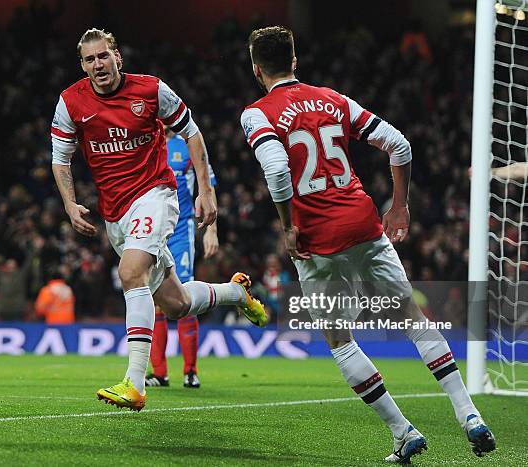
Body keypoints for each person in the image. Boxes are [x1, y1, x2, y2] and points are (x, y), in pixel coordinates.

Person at [241, 26, 495, 463]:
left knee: (340, 340)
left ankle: (402, 432)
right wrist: (399, 206)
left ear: (256, 68)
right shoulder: (333, 99)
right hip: (363, 223)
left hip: (318, 238)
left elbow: (279, 171)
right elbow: (399, 144)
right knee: (413, 319)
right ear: (295, 61)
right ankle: (469, 414)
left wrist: (288, 225)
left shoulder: (257, 113)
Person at [50, 28, 267, 412]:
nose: (97, 65)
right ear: (82, 65)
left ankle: (135, 382)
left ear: (117, 56)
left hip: (156, 195)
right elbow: (60, 158)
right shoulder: (71, 102)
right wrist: (69, 204)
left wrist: (206, 190)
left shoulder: (151, 90)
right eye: (89, 60)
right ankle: (237, 293)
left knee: (130, 272)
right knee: (177, 304)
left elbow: (193, 133)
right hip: (115, 213)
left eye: (103, 56)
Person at [146, 129, 219, 389]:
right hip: (152, 228)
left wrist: (211, 229)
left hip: (180, 229)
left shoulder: (187, 144)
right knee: (155, 299)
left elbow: (207, 185)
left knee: (184, 296)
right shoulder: (144, 142)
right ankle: (160, 373)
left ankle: (190, 371)